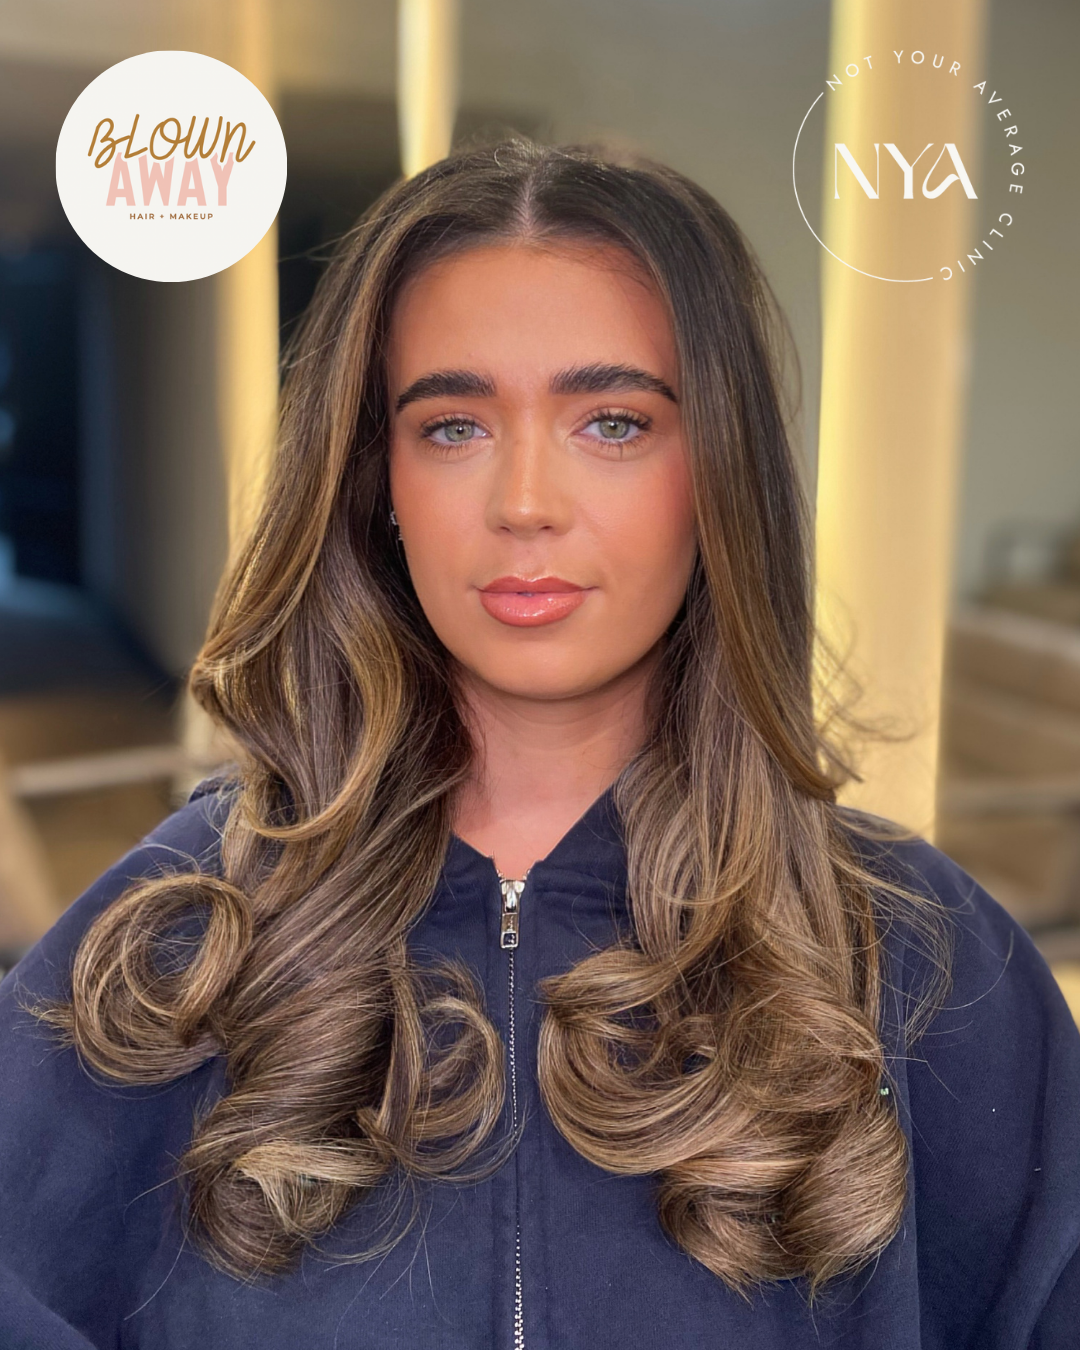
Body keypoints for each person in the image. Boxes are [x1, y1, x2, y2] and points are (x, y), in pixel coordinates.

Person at [1, 136, 1078, 1350]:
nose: (524, 501)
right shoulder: (184, 931)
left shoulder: (928, 964)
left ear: (718, 473)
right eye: (453, 426)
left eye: (612, 422)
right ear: (380, 485)